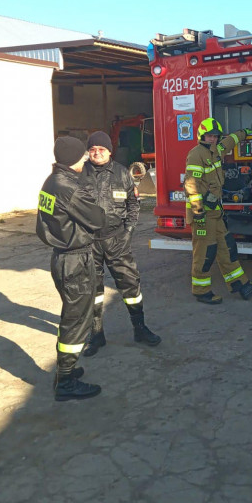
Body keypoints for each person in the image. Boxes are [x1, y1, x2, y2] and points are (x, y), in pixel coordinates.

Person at [36, 136, 106, 401]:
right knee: (76, 321)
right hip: (75, 260)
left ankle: (67, 370)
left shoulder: (51, 181)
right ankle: (65, 381)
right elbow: (98, 219)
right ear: (73, 158)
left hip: (62, 257)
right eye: (82, 155)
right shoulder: (69, 187)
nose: (86, 159)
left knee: (72, 316)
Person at [79, 130, 160, 356]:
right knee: (91, 290)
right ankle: (96, 334)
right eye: (92, 149)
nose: (97, 153)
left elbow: (133, 204)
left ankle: (140, 329)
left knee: (130, 286)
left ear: (110, 151)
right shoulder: (79, 174)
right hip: (88, 242)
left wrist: (128, 232)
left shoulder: (122, 173)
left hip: (117, 240)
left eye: (101, 149)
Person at [184, 117, 252, 304]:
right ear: (202, 136)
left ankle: (241, 285)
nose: (213, 139)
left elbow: (229, 142)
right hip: (203, 215)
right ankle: (201, 291)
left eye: (215, 136)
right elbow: (191, 185)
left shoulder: (216, 151)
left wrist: (244, 133)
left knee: (227, 248)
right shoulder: (196, 154)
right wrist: (198, 212)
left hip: (215, 212)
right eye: (209, 136)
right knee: (205, 253)